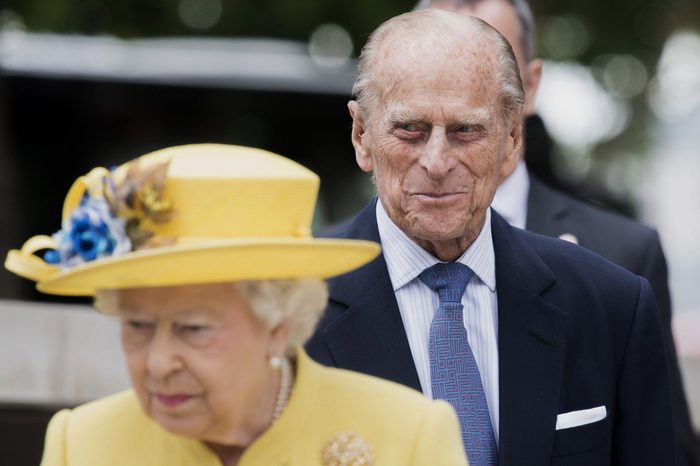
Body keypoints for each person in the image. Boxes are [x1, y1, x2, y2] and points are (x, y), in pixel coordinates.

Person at [306, 9, 676, 465]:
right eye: (410, 129)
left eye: (465, 131)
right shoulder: (293, 306)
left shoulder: (609, 305)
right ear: (362, 135)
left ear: (512, 139)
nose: (437, 162)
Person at [4, 144, 469, 466]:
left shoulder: (407, 436)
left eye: (193, 329)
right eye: (138, 325)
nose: (160, 363)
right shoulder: (83, 444)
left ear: (278, 324)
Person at [413, 1, 698, 464]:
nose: (456, 82)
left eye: (485, 61)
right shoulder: (330, 277)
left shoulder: (620, 262)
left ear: (529, 85)